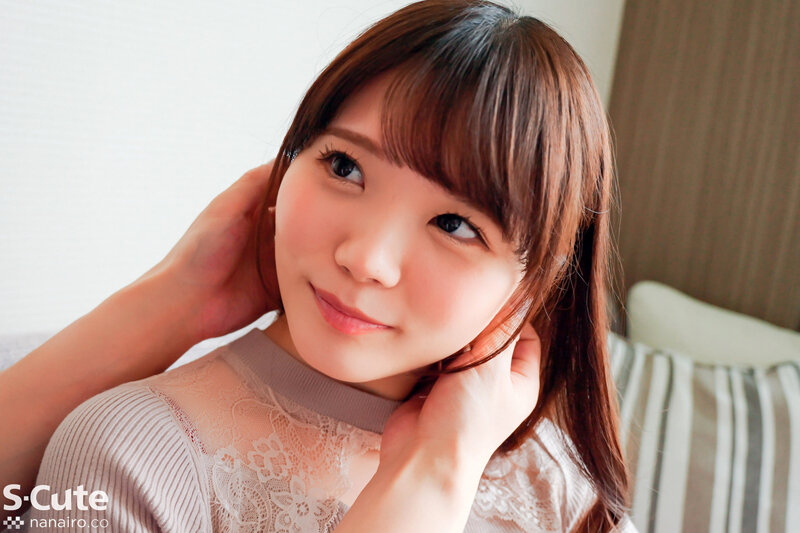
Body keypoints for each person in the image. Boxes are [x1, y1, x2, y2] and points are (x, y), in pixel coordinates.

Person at [10, 1, 638, 531]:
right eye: (345, 167)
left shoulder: (549, 471)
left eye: (455, 224)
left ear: (536, 280)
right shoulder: (132, 456)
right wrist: (433, 478)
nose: (366, 259)